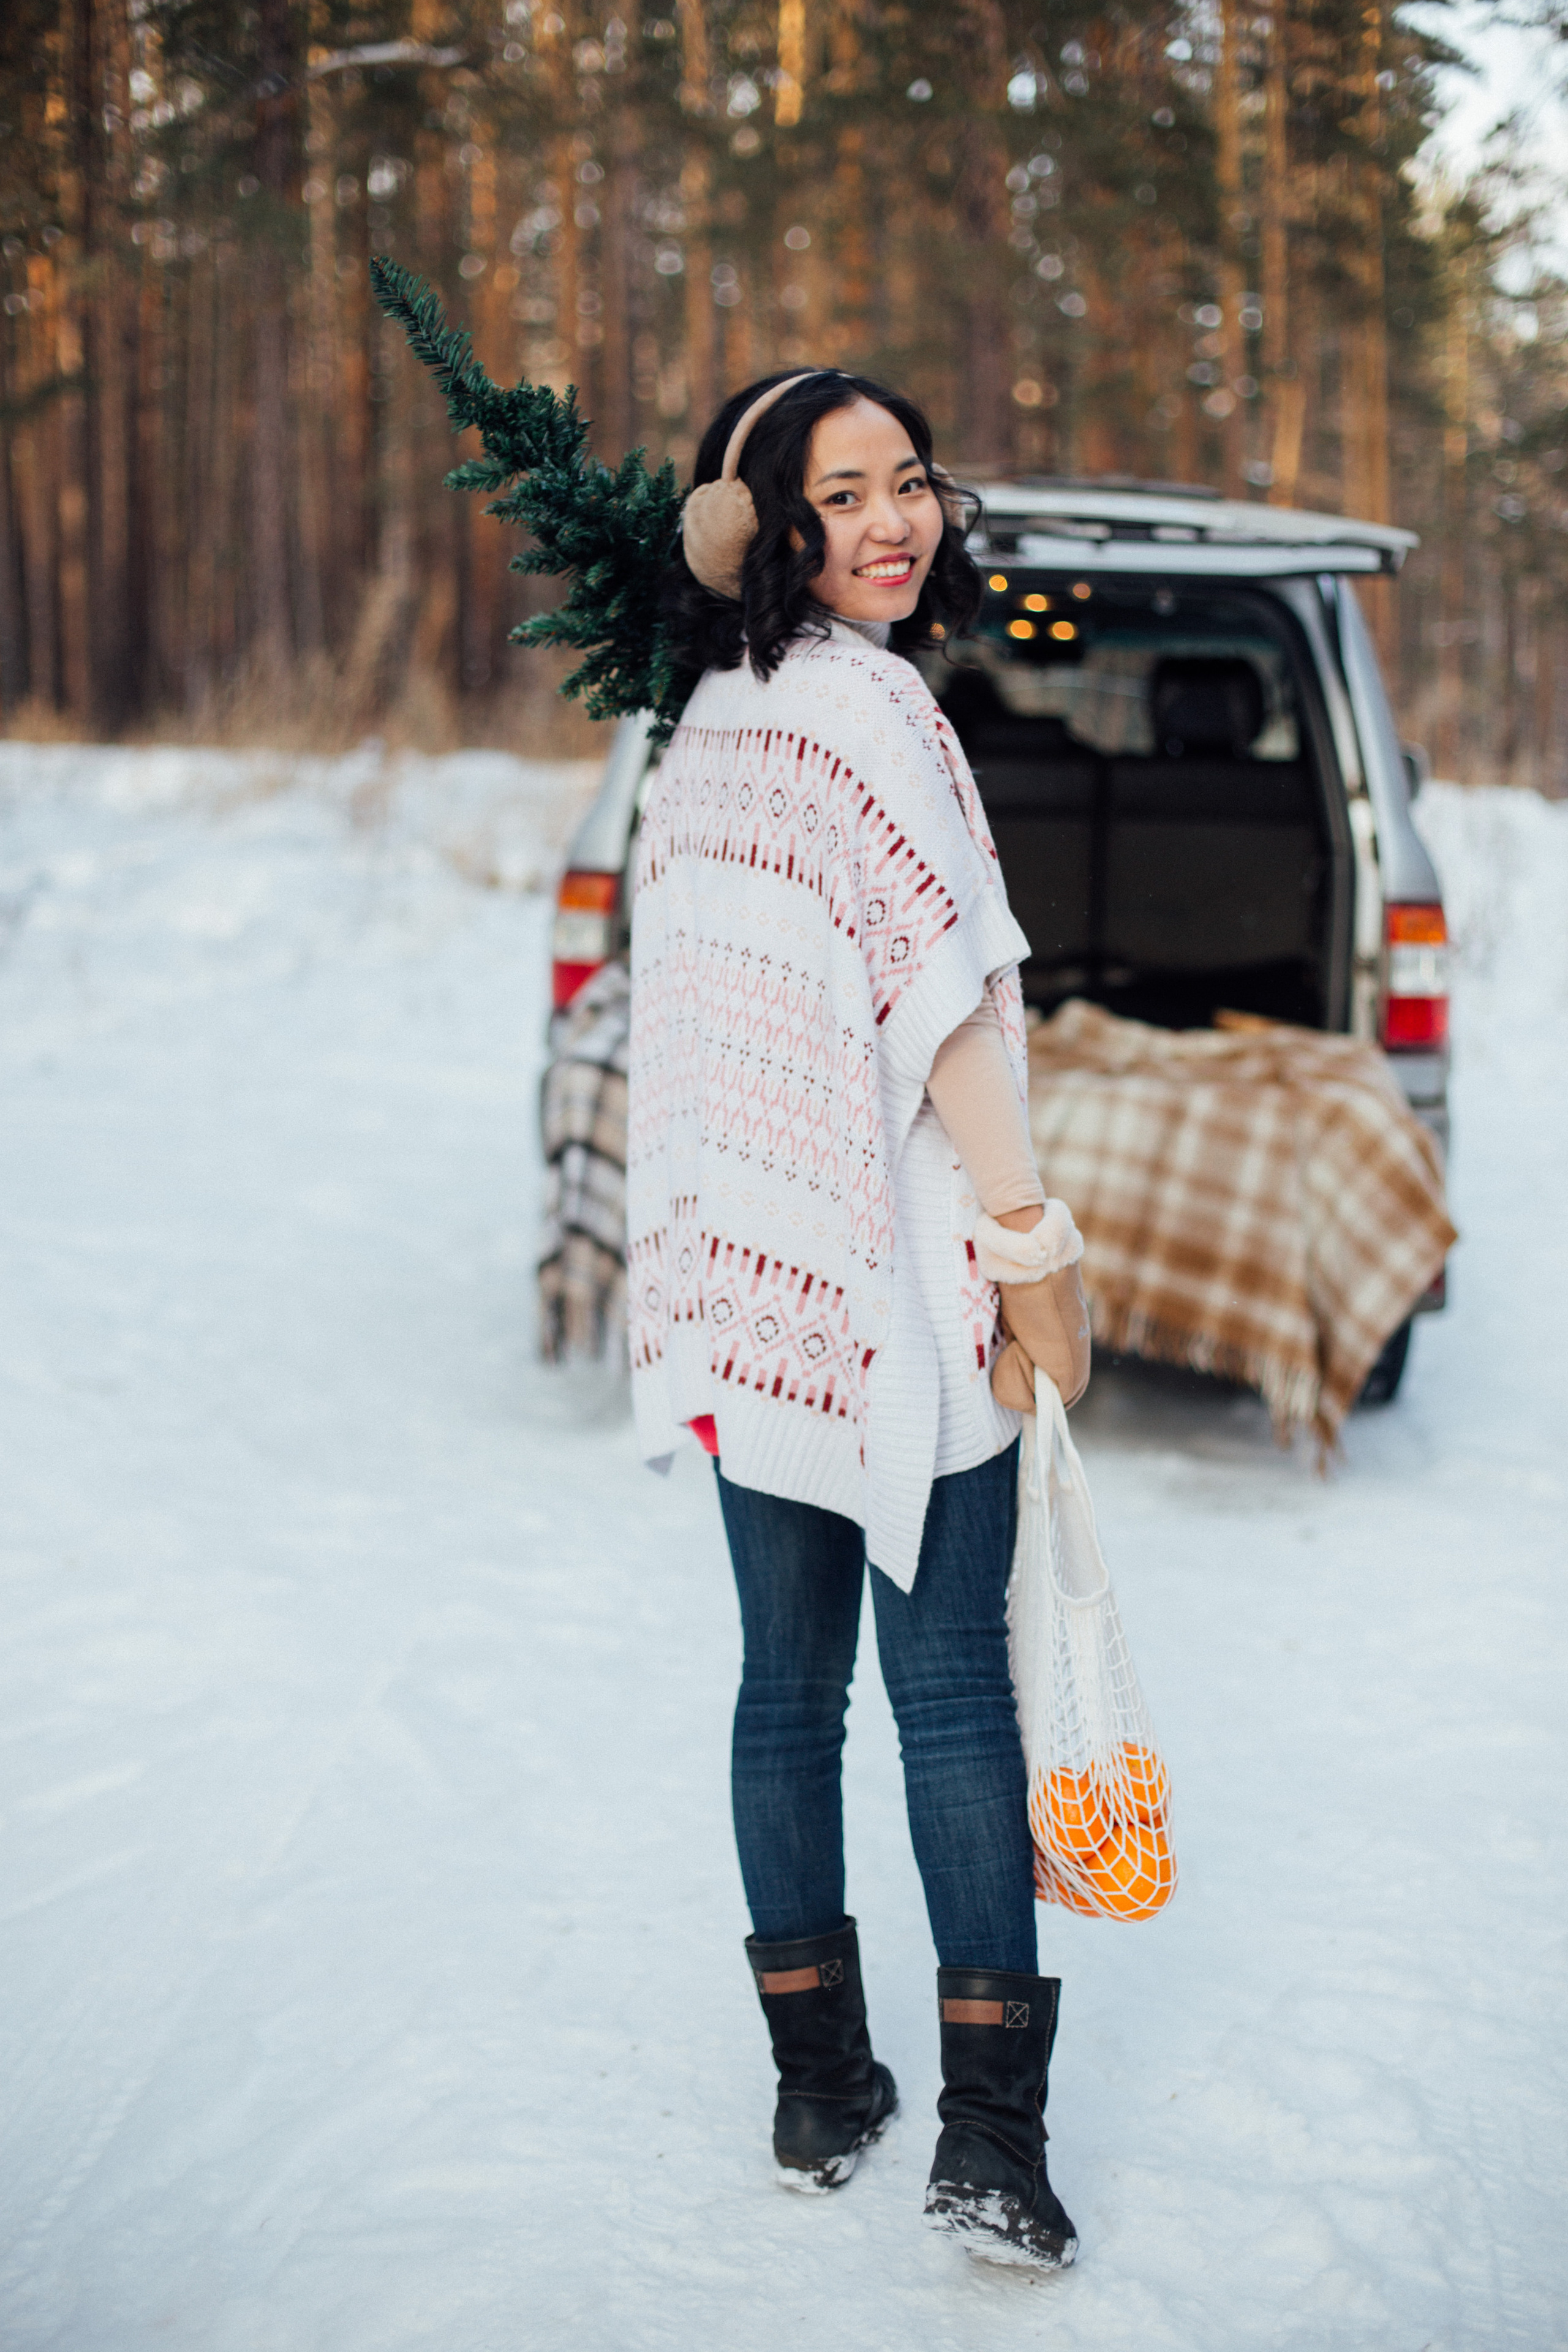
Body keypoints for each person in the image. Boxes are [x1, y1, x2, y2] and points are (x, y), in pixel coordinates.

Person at [625, 368, 1092, 2271]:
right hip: (892, 1285)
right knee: (955, 1698)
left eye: (912, 482)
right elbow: (951, 1001)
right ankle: (990, 2141)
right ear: (771, 530)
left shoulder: (711, 720)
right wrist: (1030, 1241)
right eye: (846, 495)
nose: (895, 522)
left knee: (782, 1694)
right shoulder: (877, 710)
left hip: (754, 1296)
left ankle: (821, 2082)